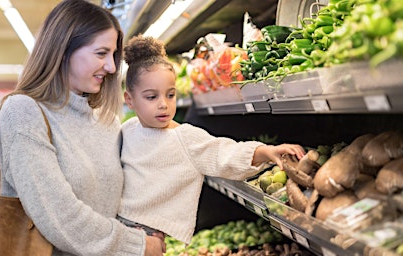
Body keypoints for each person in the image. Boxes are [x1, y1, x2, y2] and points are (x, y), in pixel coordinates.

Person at [0, 1, 165, 255]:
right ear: (63, 50)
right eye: (101, 53)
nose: (110, 67)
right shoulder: (23, 112)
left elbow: (112, 206)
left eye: (113, 56)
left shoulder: (107, 121)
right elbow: (60, 215)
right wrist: (136, 245)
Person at [118, 35, 306, 244]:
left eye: (170, 95)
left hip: (150, 236)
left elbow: (222, 153)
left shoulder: (184, 137)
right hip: (119, 228)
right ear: (130, 100)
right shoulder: (126, 130)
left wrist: (265, 152)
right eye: (151, 97)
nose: (163, 104)